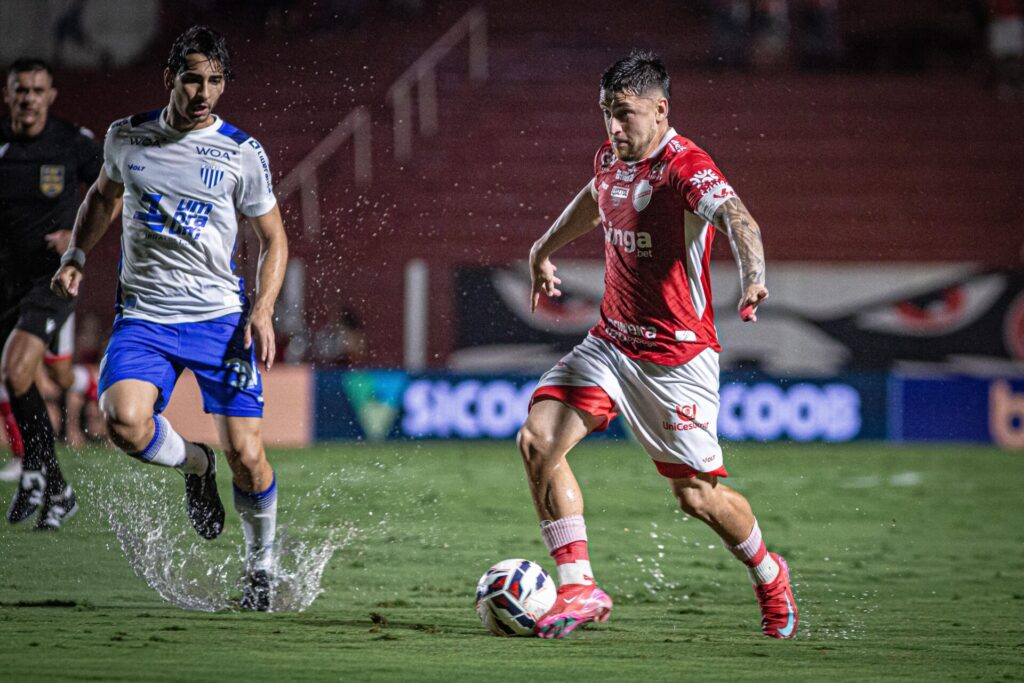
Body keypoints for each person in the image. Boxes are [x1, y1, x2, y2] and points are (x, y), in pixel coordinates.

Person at [519, 50, 798, 639]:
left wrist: (753, 277)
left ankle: (770, 573)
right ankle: (578, 587)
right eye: (605, 114)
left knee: (697, 497)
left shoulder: (684, 166)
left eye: (624, 114)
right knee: (538, 439)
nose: (613, 128)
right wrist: (542, 249)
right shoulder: (610, 156)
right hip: (611, 343)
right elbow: (595, 198)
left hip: (675, 360)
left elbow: (741, 221)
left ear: (660, 109)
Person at [50, 25, 289, 611]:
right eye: (192, 79)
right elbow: (102, 198)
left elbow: (274, 239)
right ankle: (195, 464)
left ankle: (260, 564)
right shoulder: (126, 137)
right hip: (145, 320)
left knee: (249, 456)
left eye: (214, 81)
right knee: (123, 422)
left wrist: (261, 308)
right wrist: (77, 255)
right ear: (170, 80)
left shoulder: (240, 151)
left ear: (224, 84)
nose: (203, 91)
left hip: (220, 321)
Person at [1, 57, 102, 528]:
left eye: (37, 90)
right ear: (8, 95)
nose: (28, 99)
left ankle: (36, 473)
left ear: (50, 95)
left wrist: (77, 242)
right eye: (21, 90)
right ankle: (58, 488)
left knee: (18, 370)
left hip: (53, 279)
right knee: (21, 379)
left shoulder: (71, 142)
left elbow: (113, 190)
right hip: (7, 282)